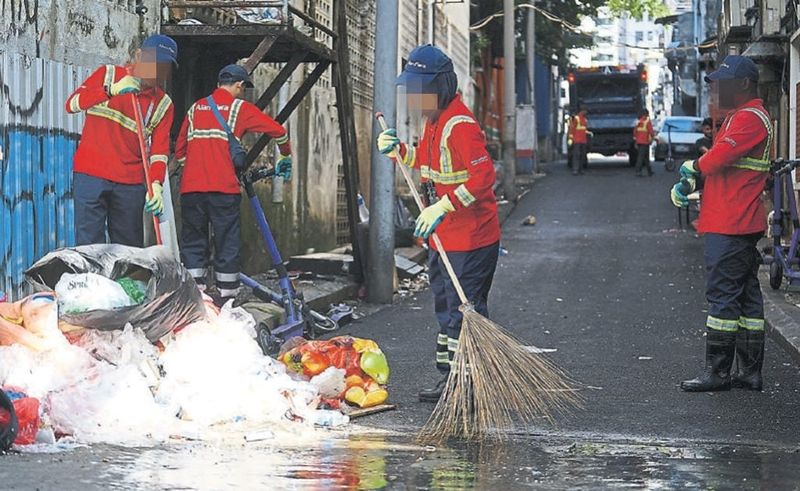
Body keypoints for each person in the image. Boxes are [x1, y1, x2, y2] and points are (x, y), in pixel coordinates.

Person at [375, 45, 501, 402]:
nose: (413, 99)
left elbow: (482, 177)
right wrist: (399, 151)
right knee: (447, 312)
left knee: (465, 314)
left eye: (419, 90)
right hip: (445, 238)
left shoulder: (459, 124)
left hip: (471, 239)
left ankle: (470, 385)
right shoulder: (435, 123)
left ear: (439, 87)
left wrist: (442, 206)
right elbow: (430, 166)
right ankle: (450, 379)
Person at [670, 55, 772, 392]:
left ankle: (718, 372)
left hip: (731, 221)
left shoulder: (748, 118)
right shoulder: (741, 117)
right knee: (746, 298)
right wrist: (695, 181)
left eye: (722, 84)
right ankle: (749, 372)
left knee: (723, 298)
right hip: (737, 218)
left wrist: (692, 168)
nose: (716, 90)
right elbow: (723, 168)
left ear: (743, 84)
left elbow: (717, 160)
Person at [174, 64, 292, 303]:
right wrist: (286, 155)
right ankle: (227, 300)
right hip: (223, 190)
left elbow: (179, 151)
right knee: (227, 241)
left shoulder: (196, 108)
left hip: (191, 190)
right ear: (239, 85)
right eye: (242, 87)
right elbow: (279, 131)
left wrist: (198, 166)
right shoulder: (240, 108)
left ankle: (196, 298)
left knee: (193, 240)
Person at [66, 35, 177, 246]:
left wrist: (156, 185)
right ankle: (93, 280)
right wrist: (110, 91)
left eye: (164, 66)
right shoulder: (108, 75)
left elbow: (159, 152)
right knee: (90, 245)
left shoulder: (163, 104)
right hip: (91, 174)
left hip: (130, 183)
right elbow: (71, 105)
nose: (157, 71)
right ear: (138, 56)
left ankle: (127, 281)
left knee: (128, 248)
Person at [568, 108, 590, 175]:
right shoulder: (576, 118)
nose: (586, 112)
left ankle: (580, 169)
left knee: (582, 155)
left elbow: (583, 129)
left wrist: (589, 133)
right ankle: (575, 169)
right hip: (577, 139)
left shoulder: (585, 120)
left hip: (583, 140)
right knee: (577, 155)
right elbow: (572, 129)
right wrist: (570, 138)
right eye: (585, 111)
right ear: (582, 111)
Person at [633, 109, 655, 176]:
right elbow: (651, 131)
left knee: (644, 157)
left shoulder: (638, 121)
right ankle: (638, 171)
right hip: (645, 141)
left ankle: (649, 171)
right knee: (642, 157)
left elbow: (635, 132)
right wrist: (652, 138)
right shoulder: (647, 121)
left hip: (639, 142)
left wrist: (635, 142)